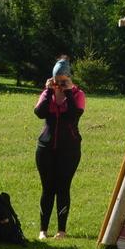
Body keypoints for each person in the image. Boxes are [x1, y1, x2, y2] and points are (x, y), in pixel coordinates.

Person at [34, 56, 86, 239]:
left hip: (69, 149)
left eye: (63, 80)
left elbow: (74, 114)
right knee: (47, 188)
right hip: (45, 147)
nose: (60, 83)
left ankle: (61, 230)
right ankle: (43, 230)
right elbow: (39, 113)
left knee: (63, 187)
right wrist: (49, 92)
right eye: (57, 80)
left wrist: (69, 91)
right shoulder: (47, 93)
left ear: (69, 78)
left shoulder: (78, 94)